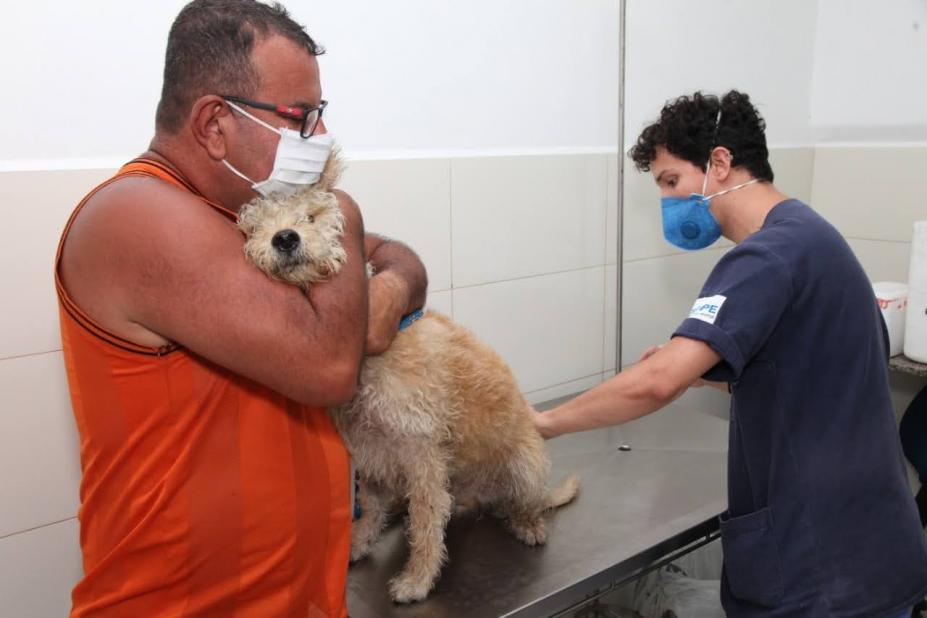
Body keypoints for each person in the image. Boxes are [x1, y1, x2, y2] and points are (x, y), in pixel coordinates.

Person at [54, 1, 427, 616]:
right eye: (300, 117)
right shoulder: (137, 215)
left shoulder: (240, 214)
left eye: (320, 117)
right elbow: (328, 367)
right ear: (213, 124)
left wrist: (385, 291)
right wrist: (339, 205)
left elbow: (402, 262)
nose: (322, 139)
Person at [534, 90, 927, 617]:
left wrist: (544, 422)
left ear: (719, 163)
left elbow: (656, 383)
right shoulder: (813, 235)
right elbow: (815, 369)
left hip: (821, 570)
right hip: (874, 553)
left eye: (672, 182)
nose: (670, 205)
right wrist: (708, 375)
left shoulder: (765, 256)